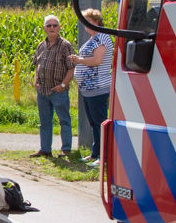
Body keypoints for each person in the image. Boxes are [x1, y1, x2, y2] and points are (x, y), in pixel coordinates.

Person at [71, 9, 114, 163]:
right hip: (88, 89)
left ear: (97, 21)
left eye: (89, 21)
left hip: (98, 87)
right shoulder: (93, 38)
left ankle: (104, 156)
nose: (86, 25)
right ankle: (95, 153)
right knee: (94, 123)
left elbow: (97, 60)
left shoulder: (102, 37)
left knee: (100, 122)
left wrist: (79, 60)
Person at [31, 14, 74, 157]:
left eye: (55, 25)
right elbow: (37, 65)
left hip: (58, 91)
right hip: (42, 91)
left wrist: (63, 84)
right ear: (44, 28)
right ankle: (45, 149)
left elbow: (71, 68)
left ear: (59, 27)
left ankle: (66, 149)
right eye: (49, 25)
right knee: (44, 122)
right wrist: (36, 81)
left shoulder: (65, 46)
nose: (52, 28)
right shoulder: (41, 45)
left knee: (64, 120)